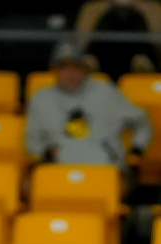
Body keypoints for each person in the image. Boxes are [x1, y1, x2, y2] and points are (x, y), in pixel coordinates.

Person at [25, 41, 152, 177]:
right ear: (54, 69)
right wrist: (46, 154)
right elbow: (32, 142)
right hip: (58, 170)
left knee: (127, 180)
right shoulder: (41, 98)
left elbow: (141, 121)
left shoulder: (105, 91)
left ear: (85, 68)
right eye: (64, 67)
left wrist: (136, 152)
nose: (71, 73)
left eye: (76, 67)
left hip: (107, 168)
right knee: (29, 184)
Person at [76, 0, 161, 79]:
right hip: (103, 59)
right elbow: (79, 44)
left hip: (140, 62)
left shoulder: (154, 9)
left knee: (134, 19)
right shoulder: (92, 8)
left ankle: (142, 60)